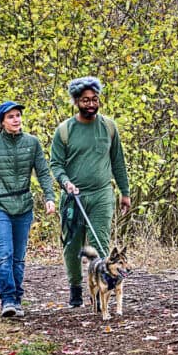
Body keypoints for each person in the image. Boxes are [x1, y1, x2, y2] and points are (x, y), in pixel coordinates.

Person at [0, 101, 57, 318]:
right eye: (11, 116)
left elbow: (43, 172)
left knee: (18, 257)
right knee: (4, 253)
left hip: (24, 206)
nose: (16, 120)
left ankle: (17, 299)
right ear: (3, 122)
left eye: (18, 115)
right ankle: (7, 300)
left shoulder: (32, 143)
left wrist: (49, 197)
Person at [50, 76, 131, 307]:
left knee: (100, 242)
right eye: (85, 100)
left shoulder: (108, 127)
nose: (91, 104)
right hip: (73, 197)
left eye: (94, 99)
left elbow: (118, 162)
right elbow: (56, 164)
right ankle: (76, 288)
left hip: (102, 194)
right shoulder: (64, 130)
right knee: (73, 246)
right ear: (76, 102)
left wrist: (124, 192)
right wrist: (65, 182)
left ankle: (102, 292)